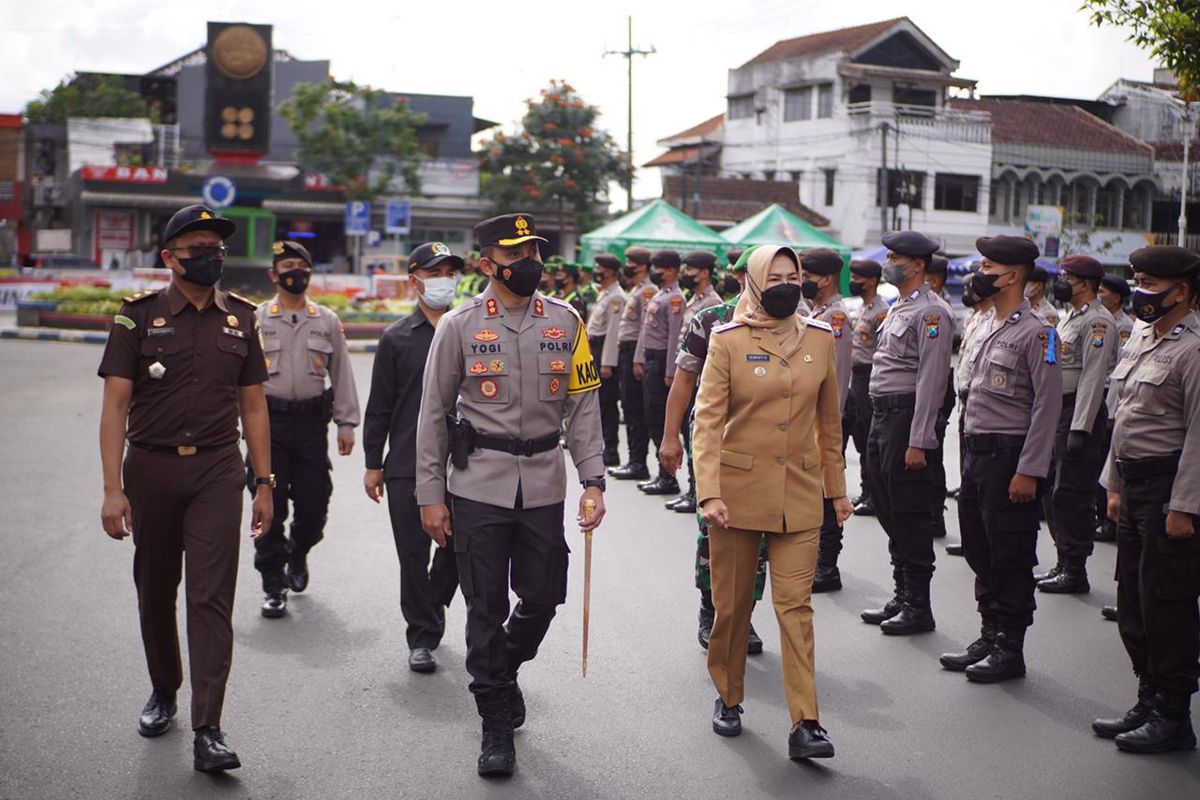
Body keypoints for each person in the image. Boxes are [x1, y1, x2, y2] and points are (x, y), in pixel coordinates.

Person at [415, 212, 606, 777]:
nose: (529, 264)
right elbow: (432, 414)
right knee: (485, 607)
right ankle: (495, 720)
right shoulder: (459, 325)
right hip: (478, 484)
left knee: (545, 595)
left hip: (545, 479)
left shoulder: (567, 322)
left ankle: (505, 669)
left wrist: (593, 479)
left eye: (534, 253)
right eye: (516, 255)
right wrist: (431, 493)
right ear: (487, 264)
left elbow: (584, 406)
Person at [98, 204, 272, 772]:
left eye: (216, 247)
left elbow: (253, 406)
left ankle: (209, 727)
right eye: (197, 248)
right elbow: (115, 405)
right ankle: (164, 687)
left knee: (210, 596)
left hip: (219, 470)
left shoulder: (242, 319)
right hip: (149, 468)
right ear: (169, 258)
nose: (210, 255)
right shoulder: (136, 318)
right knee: (155, 588)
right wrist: (111, 488)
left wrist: (264, 482)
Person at [694, 244, 853, 760]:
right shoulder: (728, 341)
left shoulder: (822, 339)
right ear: (755, 282)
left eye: (795, 275)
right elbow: (708, 422)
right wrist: (709, 491)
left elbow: (830, 424)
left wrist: (838, 490)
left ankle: (806, 721)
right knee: (734, 607)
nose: (787, 284)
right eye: (776, 276)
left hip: (801, 494)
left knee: (796, 609)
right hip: (736, 498)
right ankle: (728, 695)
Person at [939, 235, 1061, 683]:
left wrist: (1030, 470)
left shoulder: (1039, 332)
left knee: (1010, 553)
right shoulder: (988, 323)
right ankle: (990, 634)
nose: (980, 271)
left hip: (1011, 457)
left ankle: (1010, 646)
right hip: (978, 453)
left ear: (1011, 275)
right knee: (980, 546)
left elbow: (1047, 408)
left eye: (988, 265)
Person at [1093, 245, 1200, 754]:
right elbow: (1125, 415)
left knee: (1167, 603)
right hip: (1133, 484)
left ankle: (1174, 715)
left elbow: (1199, 436)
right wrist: (1113, 483)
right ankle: (1148, 696)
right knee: (1132, 601)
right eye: (1137, 279)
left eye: (1151, 283)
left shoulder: (1194, 348)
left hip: (1168, 488)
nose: (1141, 291)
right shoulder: (1140, 335)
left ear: (1181, 291)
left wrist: (1184, 506)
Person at [364, 242, 463, 674]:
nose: (444, 279)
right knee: (412, 553)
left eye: (449, 272)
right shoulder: (396, 339)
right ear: (415, 280)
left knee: (458, 549)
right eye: (435, 271)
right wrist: (373, 462)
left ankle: (432, 603)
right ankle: (421, 636)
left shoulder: (470, 331)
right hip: (405, 463)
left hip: (463, 464)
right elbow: (380, 405)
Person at [661, 248, 767, 652]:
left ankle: (745, 615)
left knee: (758, 537)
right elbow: (684, 380)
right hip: (715, 440)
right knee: (714, 528)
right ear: (741, 278)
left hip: (763, 445)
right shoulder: (712, 320)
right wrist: (670, 436)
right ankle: (712, 609)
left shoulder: (789, 322)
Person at [252, 241, 359, 618]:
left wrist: (346, 423)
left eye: (302, 265)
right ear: (273, 274)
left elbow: (342, 373)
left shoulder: (326, 320)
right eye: (287, 265)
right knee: (269, 507)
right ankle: (272, 583)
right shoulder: (257, 319)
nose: (295, 271)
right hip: (268, 426)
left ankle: (298, 553)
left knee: (315, 507)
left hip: (312, 424)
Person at [860, 231, 955, 635]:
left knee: (910, 513)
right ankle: (902, 594)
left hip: (905, 420)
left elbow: (932, 381)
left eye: (896, 257)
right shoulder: (900, 307)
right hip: (882, 416)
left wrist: (919, 440)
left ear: (918, 265)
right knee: (887, 506)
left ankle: (919, 605)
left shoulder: (932, 313)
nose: (890, 262)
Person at [1035, 255, 1119, 595]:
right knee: (1055, 491)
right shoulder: (1073, 317)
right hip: (1061, 411)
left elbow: (1092, 378)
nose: (1062, 280)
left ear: (1084, 283)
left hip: (1078, 415)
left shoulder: (1099, 323)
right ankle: (1063, 560)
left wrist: (1080, 429)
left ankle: (1075, 568)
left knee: (1072, 494)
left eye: (1067, 276)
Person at [799, 249, 853, 593]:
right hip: (812, 416)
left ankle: (827, 565)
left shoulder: (836, 318)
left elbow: (839, 374)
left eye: (808, 275)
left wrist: (832, 420)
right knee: (814, 489)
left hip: (828, 418)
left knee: (828, 490)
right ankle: (816, 558)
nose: (802, 282)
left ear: (827, 279)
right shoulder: (817, 312)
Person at [661, 249, 724, 512]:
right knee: (688, 434)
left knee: (696, 436)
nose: (685, 274)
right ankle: (691, 488)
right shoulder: (695, 299)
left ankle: (697, 490)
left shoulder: (711, 303)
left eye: (690, 270)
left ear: (705, 273)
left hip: (700, 379)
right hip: (688, 374)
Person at [946, 269, 995, 557]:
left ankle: (982, 543)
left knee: (982, 484)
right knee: (968, 479)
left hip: (986, 408)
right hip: (968, 403)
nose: (969, 292)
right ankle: (971, 540)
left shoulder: (993, 320)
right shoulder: (976, 318)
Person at [634, 249, 686, 497]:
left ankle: (669, 477)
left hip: (663, 361)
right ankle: (662, 473)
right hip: (651, 359)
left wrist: (670, 371)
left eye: (661, 269)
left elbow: (675, 337)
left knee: (658, 416)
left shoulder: (676, 298)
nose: (656, 273)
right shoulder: (661, 295)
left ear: (673, 270)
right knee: (650, 415)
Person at [609, 247, 656, 481]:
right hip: (626, 350)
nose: (628, 266)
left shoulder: (648, 290)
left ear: (644, 266)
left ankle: (638, 462)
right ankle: (633, 460)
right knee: (628, 406)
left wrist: (638, 358)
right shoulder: (637, 289)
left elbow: (645, 329)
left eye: (632, 263)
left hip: (635, 350)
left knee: (635, 408)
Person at [1095, 272, 1135, 544]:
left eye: (1104, 291)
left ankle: (1108, 522)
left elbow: (1118, 374)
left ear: (1117, 297)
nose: (1100, 295)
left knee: (1106, 460)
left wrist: (1110, 413)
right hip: (1101, 396)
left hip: (1112, 397)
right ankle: (1101, 516)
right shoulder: (1103, 320)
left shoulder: (1124, 327)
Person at [847, 259, 888, 517]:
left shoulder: (880, 311)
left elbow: (882, 349)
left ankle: (875, 494)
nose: (854, 282)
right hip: (856, 376)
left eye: (858, 278)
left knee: (869, 435)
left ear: (871, 280)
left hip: (869, 375)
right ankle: (866, 489)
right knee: (861, 435)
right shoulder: (863, 308)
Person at [585, 253, 627, 467]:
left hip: (605, 352)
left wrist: (607, 364)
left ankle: (611, 450)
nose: (596, 271)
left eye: (599, 268)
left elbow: (612, 333)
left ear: (609, 271)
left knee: (607, 404)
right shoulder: (605, 293)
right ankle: (604, 446)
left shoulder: (616, 297)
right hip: (595, 348)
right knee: (599, 403)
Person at [926, 254, 956, 542]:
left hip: (938, 388)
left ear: (932, 280)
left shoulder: (938, 311)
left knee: (932, 456)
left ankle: (935, 516)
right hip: (938, 385)